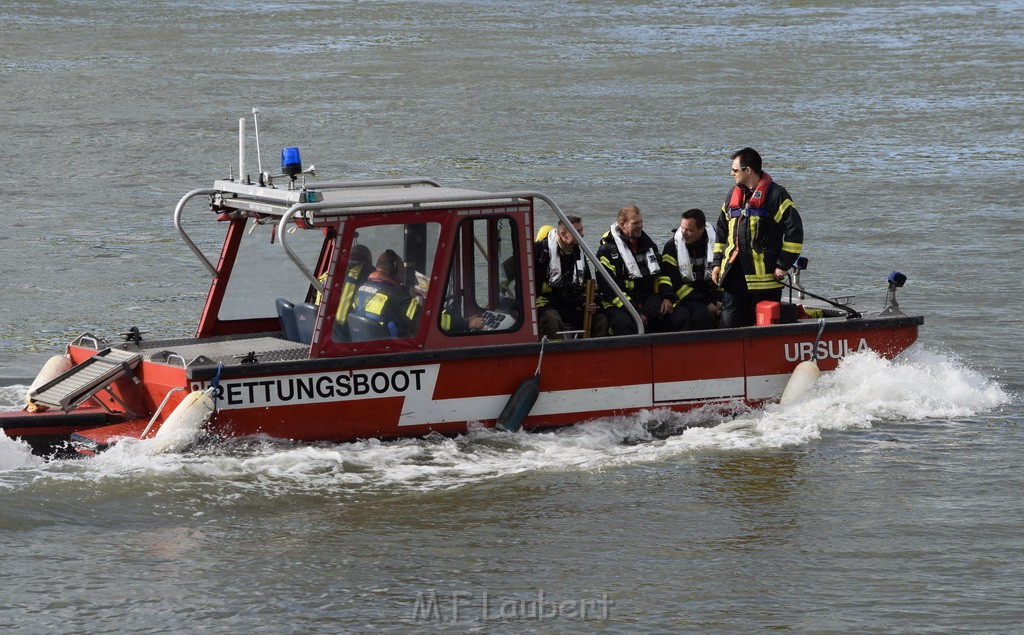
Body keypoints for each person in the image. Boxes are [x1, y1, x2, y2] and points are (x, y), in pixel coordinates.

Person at [710, 148, 803, 328]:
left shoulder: (776, 195)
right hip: (734, 274)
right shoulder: (732, 196)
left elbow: (794, 230)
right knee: (729, 323)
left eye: (735, 170)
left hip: (766, 279)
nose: (731, 174)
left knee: (764, 325)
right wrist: (716, 264)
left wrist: (783, 265)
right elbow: (721, 231)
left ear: (748, 170)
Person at [596, 204, 674, 335]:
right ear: (622, 224)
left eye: (641, 221)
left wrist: (667, 297)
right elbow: (610, 290)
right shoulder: (607, 252)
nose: (640, 226)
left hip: (645, 300)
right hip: (619, 305)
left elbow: (663, 275)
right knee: (623, 323)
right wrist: (635, 312)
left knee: (670, 315)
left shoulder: (648, 245)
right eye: (635, 223)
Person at [534, 216, 608, 338]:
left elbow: (587, 283)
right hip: (546, 305)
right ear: (563, 234)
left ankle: (592, 353)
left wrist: (590, 303)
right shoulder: (539, 250)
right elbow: (512, 270)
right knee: (552, 319)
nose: (582, 235)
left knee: (600, 320)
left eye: (582, 230)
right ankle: (555, 353)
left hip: (572, 305)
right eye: (578, 232)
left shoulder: (579, 254)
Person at [659, 208, 720, 330]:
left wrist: (717, 301)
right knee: (701, 316)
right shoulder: (672, 248)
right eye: (682, 228)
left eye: (689, 230)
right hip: (685, 296)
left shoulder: (716, 246)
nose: (684, 233)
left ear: (701, 230)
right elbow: (677, 283)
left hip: (710, 293)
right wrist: (706, 303)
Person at [350, 249, 421, 338]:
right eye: (402, 269)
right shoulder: (400, 298)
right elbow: (425, 321)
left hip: (367, 345)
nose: (403, 273)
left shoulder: (361, 288)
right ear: (394, 270)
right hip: (395, 348)